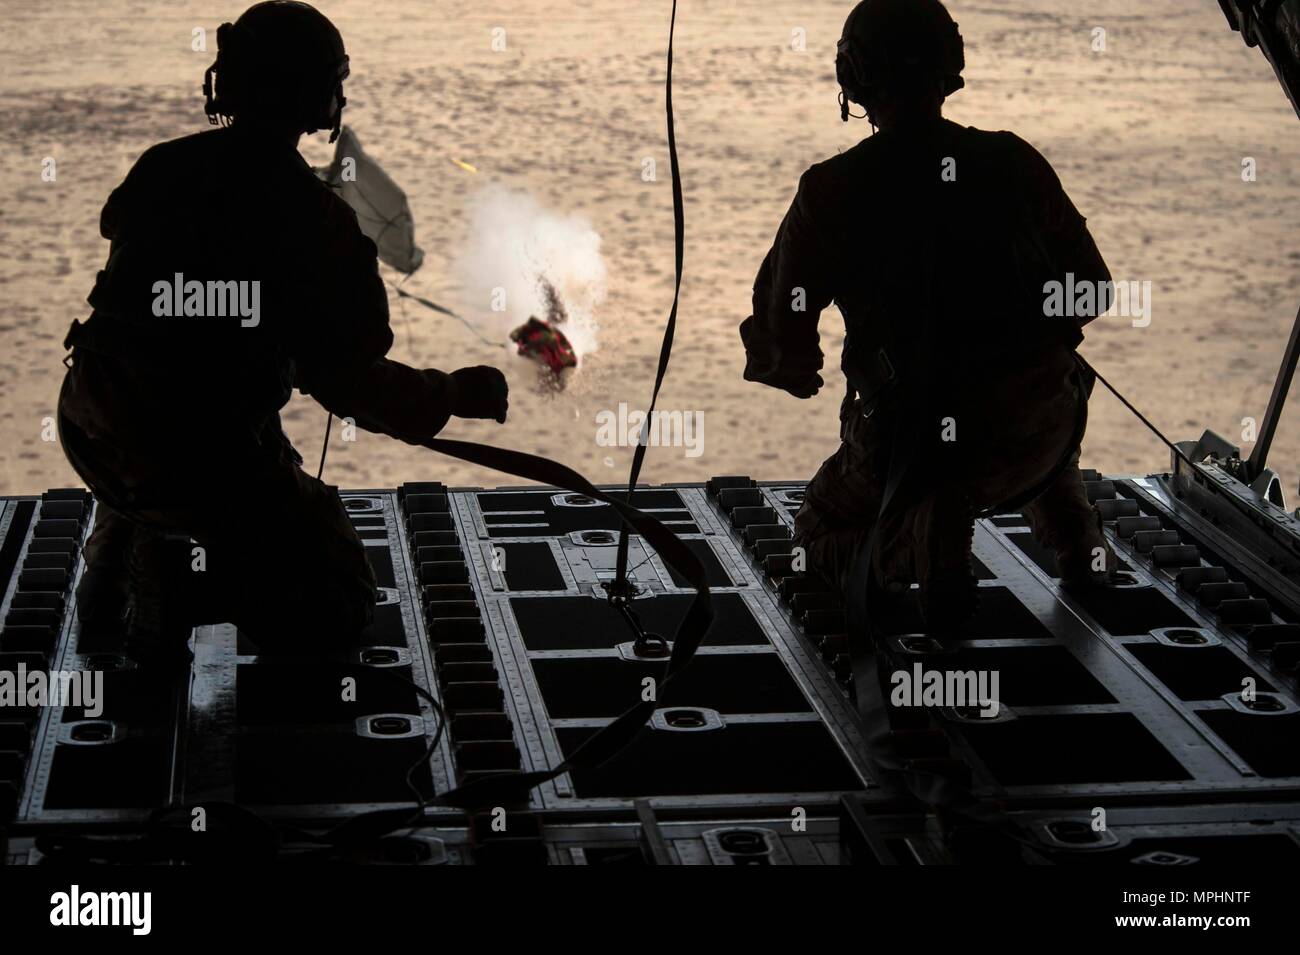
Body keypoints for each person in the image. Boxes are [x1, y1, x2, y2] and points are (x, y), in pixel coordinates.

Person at [57, 1, 508, 666]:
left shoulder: (162, 166)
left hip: (92, 426)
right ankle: (179, 583)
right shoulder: (315, 219)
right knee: (338, 604)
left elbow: (121, 233)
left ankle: (126, 562)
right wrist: (449, 394)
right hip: (194, 450)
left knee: (167, 434)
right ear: (320, 96)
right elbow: (349, 379)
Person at [740, 0, 1116, 632]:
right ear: (952, 68)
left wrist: (799, 368)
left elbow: (784, 334)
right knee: (1035, 405)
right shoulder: (1013, 160)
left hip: (912, 445)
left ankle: (918, 539)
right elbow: (1093, 292)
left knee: (813, 534)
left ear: (853, 79)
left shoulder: (832, 189)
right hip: (1036, 427)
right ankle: (1078, 540)